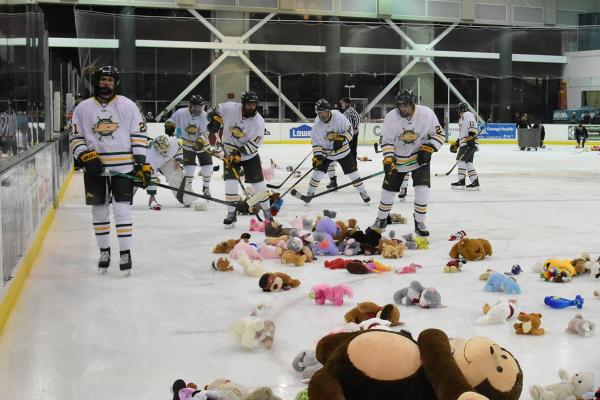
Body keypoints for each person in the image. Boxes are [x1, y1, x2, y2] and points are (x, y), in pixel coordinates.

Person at [70, 65, 151, 276]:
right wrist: (84, 156)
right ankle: (104, 251)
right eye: (103, 79)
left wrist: (142, 165)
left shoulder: (127, 106)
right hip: (95, 169)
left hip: (123, 167)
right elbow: (75, 137)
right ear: (96, 81)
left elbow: (139, 135)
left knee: (122, 208)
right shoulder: (82, 108)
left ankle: (125, 252)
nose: (106, 83)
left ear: (115, 84)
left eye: (110, 80)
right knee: (99, 210)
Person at [370, 89, 445, 237]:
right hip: (398, 160)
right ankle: (381, 219)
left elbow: (439, 134)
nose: (403, 108)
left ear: (412, 103)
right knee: (388, 192)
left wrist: (429, 148)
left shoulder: (427, 114)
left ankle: (420, 222)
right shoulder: (391, 117)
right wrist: (388, 158)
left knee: (423, 190)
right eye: (400, 105)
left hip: (419, 159)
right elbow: (386, 141)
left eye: (406, 105)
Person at [206, 91, 273, 228]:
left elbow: (255, 144)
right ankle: (231, 214)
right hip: (229, 152)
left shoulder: (259, 122)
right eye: (248, 105)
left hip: (249, 155)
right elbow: (211, 111)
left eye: (253, 105)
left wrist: (239, 154)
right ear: (243, 104)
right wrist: (215, 119)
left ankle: (267, 213)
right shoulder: (230, 108)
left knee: (259, 186)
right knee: (230, 183)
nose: (251, 108)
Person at [296, 98, 370, 205]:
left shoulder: (339, 117)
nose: (322, 115)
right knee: (317, 174)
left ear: (329, 110)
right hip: (327, 153)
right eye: (319, 112)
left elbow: (350, 132)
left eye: (324, 111)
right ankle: (309, 195)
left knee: (353, 174)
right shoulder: (317, 124)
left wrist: (341, 139)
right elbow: (316, 144)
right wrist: (317, 156)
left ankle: (363, 193)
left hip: (343, 150)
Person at [164, 95, 213, 197]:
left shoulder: (204, 115)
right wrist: (169, 126)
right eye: (197, 107)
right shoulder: (181, 113)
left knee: (207, 165)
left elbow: (205, 132)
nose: (200, 109)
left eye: (201, 107)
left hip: (203, 145)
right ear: (191, 106)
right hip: (187, 145)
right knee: (189, 167)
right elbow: (171, 121)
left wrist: (200, 141)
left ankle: (206, 188)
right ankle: (188, 189)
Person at [326, 97, 361, 189]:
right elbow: (358, 117)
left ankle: (353, 173)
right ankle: (354, 174)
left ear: (347, 104)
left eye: (343, 103)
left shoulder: (347, 111)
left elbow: (356, 119)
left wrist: (354, 128)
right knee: (352, 152)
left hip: (351, 135)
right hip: (353, 134)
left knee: (348, 152)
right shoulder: (350, 110)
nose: (341, 105)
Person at [145, 134, 186, 210]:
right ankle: (124, 199)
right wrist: (152, 194)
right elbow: (152, 174)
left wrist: (178, 159)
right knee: (140, 179)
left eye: (167, 149)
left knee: (176, 171)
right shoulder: (150, 155)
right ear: (156, 147)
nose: (165, 152)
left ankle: (187, 198)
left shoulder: (172, 142)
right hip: (150, 164)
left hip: (166, 161)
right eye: (163, 151)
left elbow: (178, 147)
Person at [451, 102, 480, 191]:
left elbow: (472, 125)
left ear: (461, 109)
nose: (457, 111)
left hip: (468, 143)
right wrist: (456, 144)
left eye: (458, 109)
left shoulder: (467, 114)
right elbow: (462, 134)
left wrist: (471, 136)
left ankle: (461, 182)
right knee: (468, 163)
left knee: (460, 161)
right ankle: (475, 183)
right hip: (467, 143)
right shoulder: (462, 119)